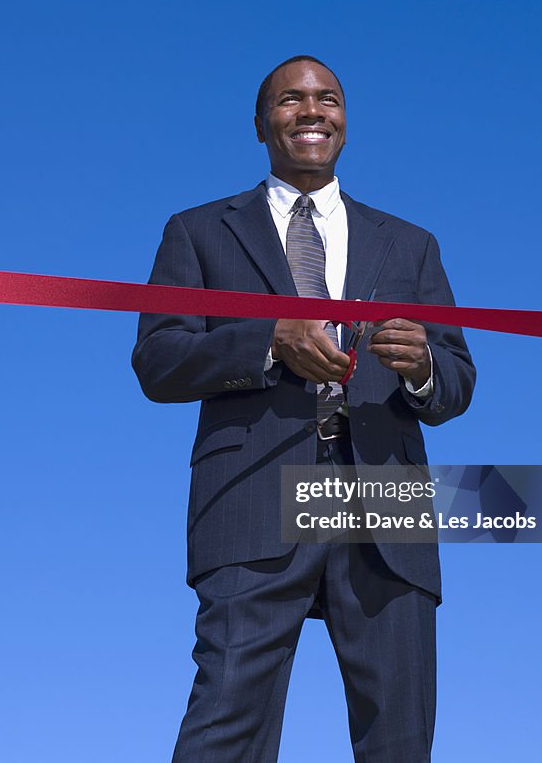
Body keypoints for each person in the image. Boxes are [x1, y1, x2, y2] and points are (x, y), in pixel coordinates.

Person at [132, 55, 475, 763]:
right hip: (251, 502)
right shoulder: (198, 232)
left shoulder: (410, 246)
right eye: (290, 100)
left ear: (345, 122)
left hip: (387, 505)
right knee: (225, 726)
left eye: (328, 99)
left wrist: (422, 369)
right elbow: (158, 360)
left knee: (401, 742)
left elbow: (457, 382)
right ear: (260, 124)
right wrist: (267, 342)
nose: (312, 111)